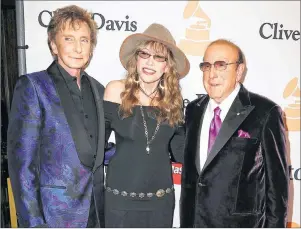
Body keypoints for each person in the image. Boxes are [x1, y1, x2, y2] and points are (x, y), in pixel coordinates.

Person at [7, 5, 106, 227]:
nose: (78, 48)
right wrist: (33, 223)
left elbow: (92, 152)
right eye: (69, 39)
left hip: (96, 214)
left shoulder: (99, 90)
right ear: (53, 44)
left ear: (91, 47)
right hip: (53, 217)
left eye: (84, 40)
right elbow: (22, 166)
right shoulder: (33, 87)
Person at [180, 39, 289, 227]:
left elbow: (277, 187)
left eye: (221, 65)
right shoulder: (192, 110)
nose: (212, 74)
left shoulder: (265, 112)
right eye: (206, 66)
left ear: (239, 71)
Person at [103, 23, 190, 227]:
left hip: (160, 200)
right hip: (120, 198)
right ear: (136, 58)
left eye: (159, 57)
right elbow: (96, 143)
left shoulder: (173, 101)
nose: (150, 62)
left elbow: (181, 149)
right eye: (145, 54)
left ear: (167, 66)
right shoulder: (116, 91)